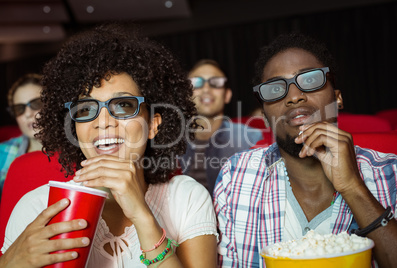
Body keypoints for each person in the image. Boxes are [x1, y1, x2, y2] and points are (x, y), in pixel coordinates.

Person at [0, 23, 218, 268]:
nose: (102, 122)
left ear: (153, 124)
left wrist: (143, 217)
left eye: (123, 106)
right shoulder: (38, 207)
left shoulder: (187, 197)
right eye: (85, 109)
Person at [214, 33, 397, 267]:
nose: (294, 97)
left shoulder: (394, 173)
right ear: (263, 117)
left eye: (310, 80)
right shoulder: (236, 176)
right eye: (274, 89)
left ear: (337, 98)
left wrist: (353, 188)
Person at [179, 59, 263, 196]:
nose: (206, 89)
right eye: (197, 82)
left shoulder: (251, 139)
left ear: (227, 95)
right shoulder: (169, 141)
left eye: (216, 83)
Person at [0, 73, 43, 201]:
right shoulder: (2, 153)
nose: (28, 114)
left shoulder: (77, 150)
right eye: (19, 109)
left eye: (36, 104)